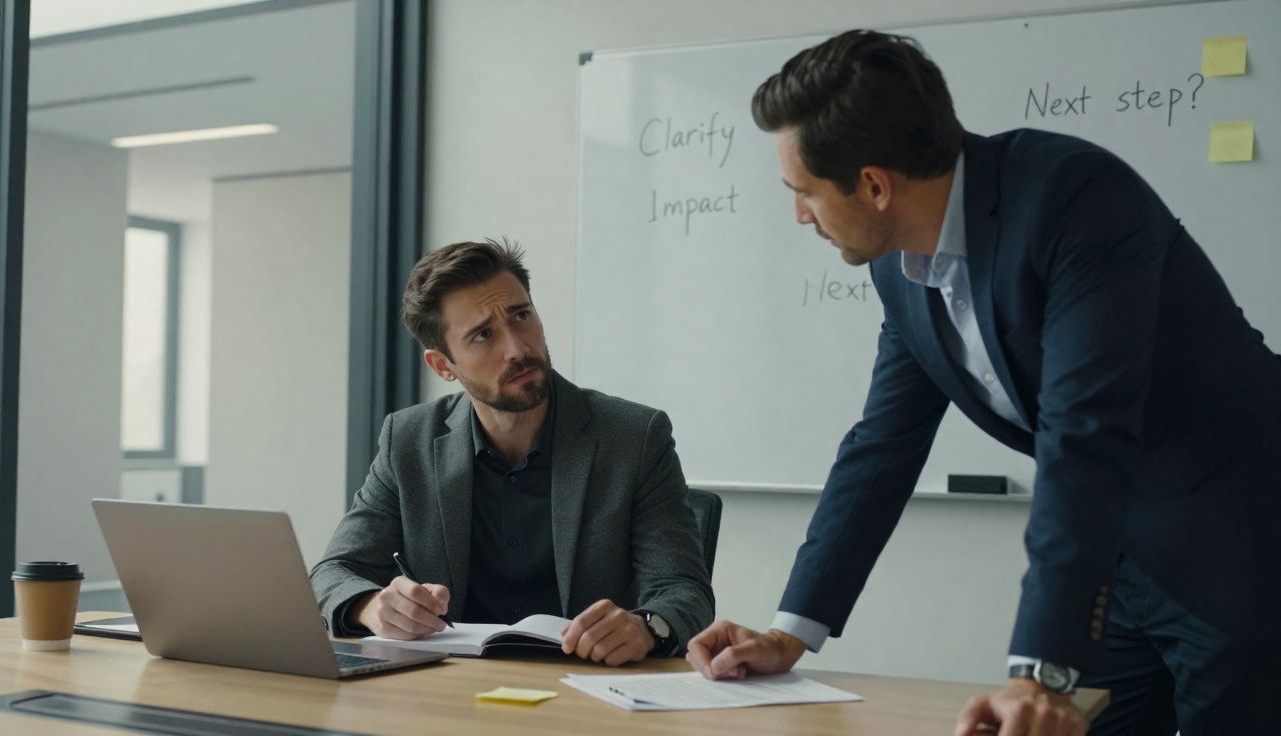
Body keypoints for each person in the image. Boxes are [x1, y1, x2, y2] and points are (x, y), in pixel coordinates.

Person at [685, 29, 1280, 735]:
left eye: (803, 192)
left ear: (874, 185)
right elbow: (883, 444)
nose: (799, 215)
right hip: (1116, 568)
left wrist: (1039, 672)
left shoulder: (1076, 200)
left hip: (1241, 545)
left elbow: (1085, 435)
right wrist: (792, 631)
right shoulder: (899, 266)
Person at [311, 238, 714, 666]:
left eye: (521, 316)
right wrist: (371, 606)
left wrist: (646, 627)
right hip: (449, 696)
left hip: (587, 694)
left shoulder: (634, 437)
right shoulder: (408, 440)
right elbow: (331, 573)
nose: (518, 348)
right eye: (484, 335)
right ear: (443, 365)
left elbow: (684, 591)